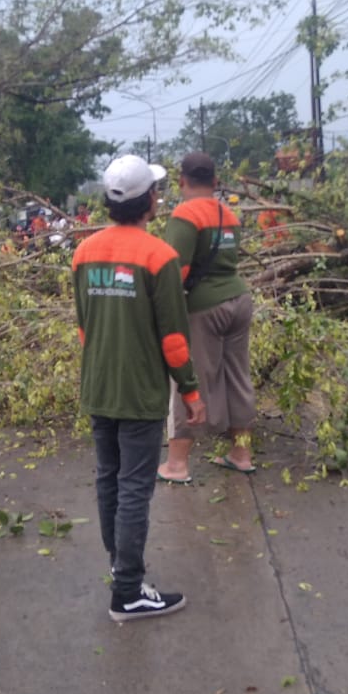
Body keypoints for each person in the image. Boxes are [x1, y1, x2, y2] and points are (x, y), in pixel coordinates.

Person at [72, 154, 206, 622]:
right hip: (140, 393)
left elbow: (84, 327)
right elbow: (173, 340)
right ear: (150, 199)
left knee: (109, 478)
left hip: (99, 386)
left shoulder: (83, 253)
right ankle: (128, 591)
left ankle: (119, 569)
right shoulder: (159, 257)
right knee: (133, 487)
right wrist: (190, 392)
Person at [157, 151, 256, 482]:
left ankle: (176, 464)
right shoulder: (229, 214)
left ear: (181, 181)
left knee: (191, 381)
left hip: (205, 309)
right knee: (238, 379)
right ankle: (241, 453)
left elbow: (175, 270)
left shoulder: (184, 215)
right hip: (239, 301)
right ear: (215, 182)